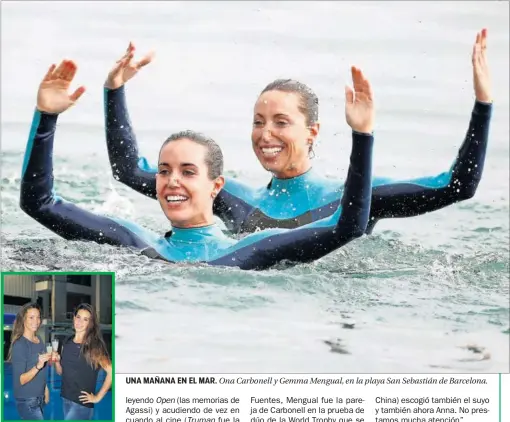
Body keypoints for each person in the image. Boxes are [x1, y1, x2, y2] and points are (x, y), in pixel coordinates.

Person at [104, 28, 493, 234]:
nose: (265, 134)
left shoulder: (356, 197)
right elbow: (128, 171)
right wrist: (114, 90)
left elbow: (458, 187)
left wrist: (483, 104)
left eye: (280, 123)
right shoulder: (232, 197)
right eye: (258, 123)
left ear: (313, 132)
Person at [19, 58, 374, 270]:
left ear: (216, 186)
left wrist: (362, 136)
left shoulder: (251, 249)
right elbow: (40, 203)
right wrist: (46, 115)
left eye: (188, 172)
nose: (172, 181)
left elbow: (346, 228)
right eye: (164, 171)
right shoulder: (129, 238)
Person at [52, 304, 112, 420]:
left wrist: (98, 397)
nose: (80, 322)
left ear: (90, 324)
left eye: (85, 319)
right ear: (74, 318)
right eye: (78, 317)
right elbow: (61, 372)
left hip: (81, 405)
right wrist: (57, 362)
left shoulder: (94, 347)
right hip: (66, 398)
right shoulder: (67, 342)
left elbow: (111, 371)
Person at [7, 303, 50, 420]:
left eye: (38, 317)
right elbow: (21, 379)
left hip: (39, 397)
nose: (36, 321)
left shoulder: (39, 340)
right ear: (24, 320)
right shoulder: (20, 344)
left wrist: (45, 389)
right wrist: (38, 366)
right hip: (27, 401)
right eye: (31, 317)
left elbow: (42, 371)